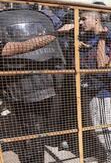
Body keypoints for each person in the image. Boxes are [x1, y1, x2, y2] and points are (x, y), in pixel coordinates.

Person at [0, 9, 72, 163]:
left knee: (37, 131)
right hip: (19, 89)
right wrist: (52, 35)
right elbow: (7, 50)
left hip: (41, 85)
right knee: (31, 131)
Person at [78, 10, 111, 163]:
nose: (80, 22)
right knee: (95, 126)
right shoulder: (88, 38)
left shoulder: (105, 38)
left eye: (84, 18)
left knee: (103, 127)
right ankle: (104, 155)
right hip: (88, 88)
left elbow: (102, 66)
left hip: (100, 90)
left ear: (96, 20)